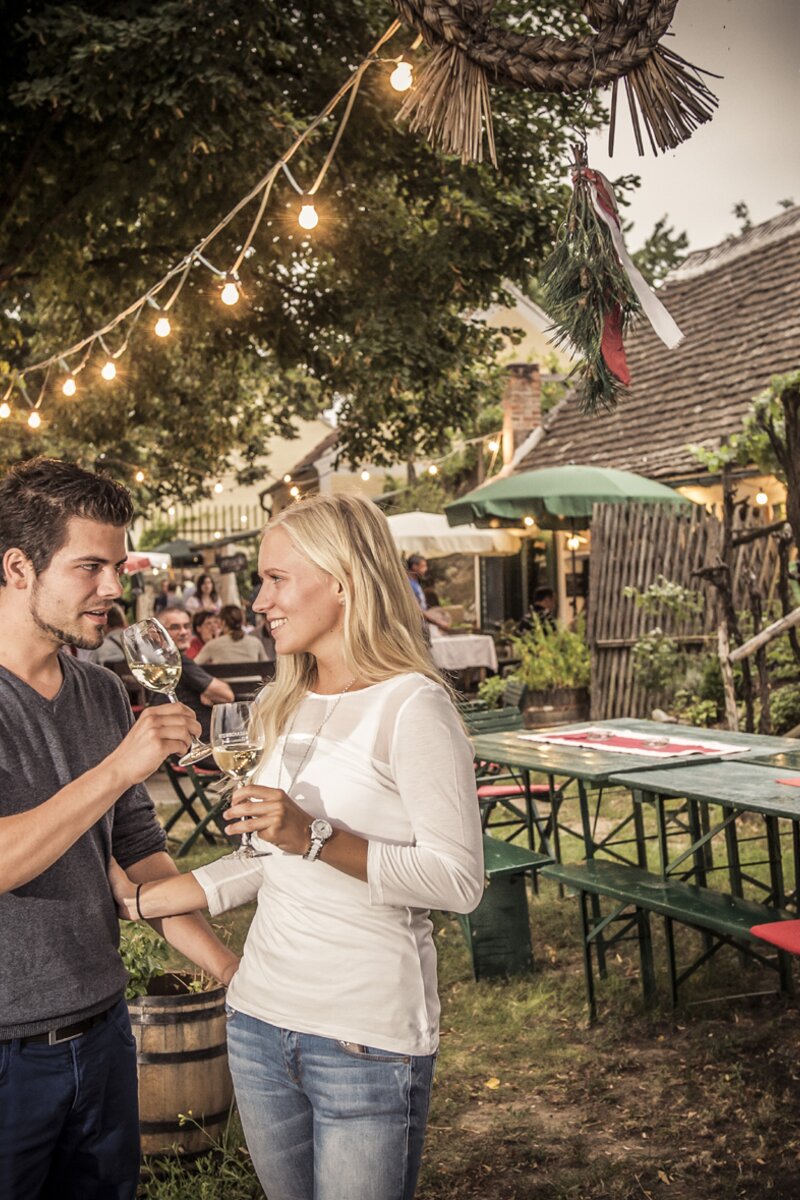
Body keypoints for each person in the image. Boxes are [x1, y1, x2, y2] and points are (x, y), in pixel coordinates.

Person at [110, 493, 484, 1200]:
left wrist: (313, 835)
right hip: (257, 1023)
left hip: (362, 1039)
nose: (259, 601)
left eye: (276, 579)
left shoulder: (412, 706)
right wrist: (140, 899)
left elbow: (457, 882)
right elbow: (265, 860)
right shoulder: (286, 701)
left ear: (341, 580)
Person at [0, 457, 239, 1200]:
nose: (115, 587)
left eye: (118, 564)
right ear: (17, 568)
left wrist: (237, 975)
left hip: (104, 1032)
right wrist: (119, 769)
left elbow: (140, 857)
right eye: (90, 567)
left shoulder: (103, 692)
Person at [154, 607, 234, 741]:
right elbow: (227, 695)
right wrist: (207, 691)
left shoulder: (162, 662)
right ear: (158, 634)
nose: (183, 632)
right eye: (175, 627)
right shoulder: (177, 662)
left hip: (180, 739)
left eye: (186, 626)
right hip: (200, 744)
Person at [195, 604, 268, 665]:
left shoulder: (212, 645)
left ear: (223, 622)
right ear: (242, 621)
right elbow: (267, 665)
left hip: (224, 682)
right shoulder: (255, 642)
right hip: (253, 682)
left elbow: (193, 667)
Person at [406, 554, 451, 633]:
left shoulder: (415, 583)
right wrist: (438, 622)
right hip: (415, 628)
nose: (425, 569)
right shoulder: (409, 584)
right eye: (423, 566)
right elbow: (416, 609)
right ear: (414, 566)